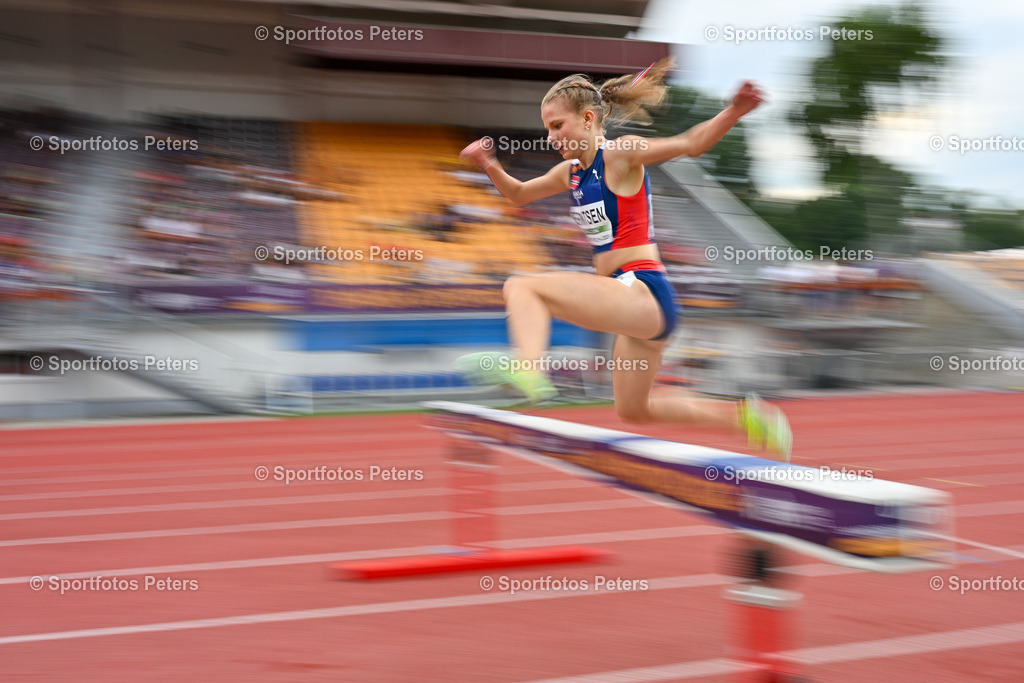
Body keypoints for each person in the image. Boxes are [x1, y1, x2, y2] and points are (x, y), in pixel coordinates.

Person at [456, 59, 791, 460]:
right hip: (633, 307)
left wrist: (734, 110)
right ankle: (747, 417)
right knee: (635, 409)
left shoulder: (621, 154)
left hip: (643, 290)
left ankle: (529, 370)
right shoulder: (571, 174)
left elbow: (691, 143)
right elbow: (519, 195)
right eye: (547, 128)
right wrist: (488, 163)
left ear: (588, 118)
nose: (550, 137)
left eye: (558, 125)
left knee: (522, 286)